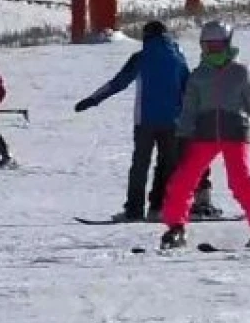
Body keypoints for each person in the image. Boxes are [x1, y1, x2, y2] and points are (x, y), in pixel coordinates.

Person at [74, 20, 216, 222]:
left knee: (140, 165)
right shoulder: (178, 57)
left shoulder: (141, 57)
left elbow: (118, 83)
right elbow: (188, 89)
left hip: (145, 122)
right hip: (172, 122)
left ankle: (134, 210)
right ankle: (157, 208)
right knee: (165, 165)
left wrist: (93, 99)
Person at [158, 21, 250, 249]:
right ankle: (175, 227)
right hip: (204, 134)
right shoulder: (198, 76)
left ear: (227, 45)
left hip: (235, 132)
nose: (212, 51)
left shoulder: (240, 73)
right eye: (208, 47)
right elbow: (188, 111)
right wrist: (182, 140)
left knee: (240, 179)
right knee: (183, 179)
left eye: (217, 46)